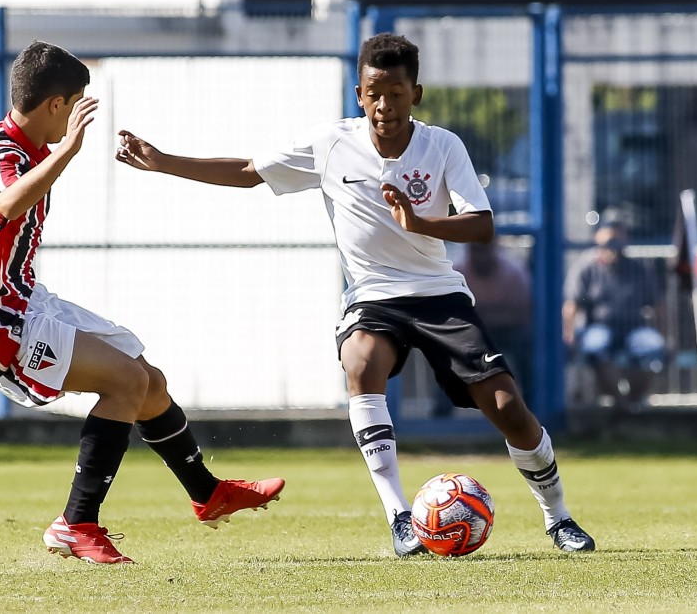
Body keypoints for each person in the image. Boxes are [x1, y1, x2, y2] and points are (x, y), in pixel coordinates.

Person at [114, 32, 595, 555]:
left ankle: (558, 517)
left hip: (439, 295)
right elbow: (251, 172)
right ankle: (400, 516)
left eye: (396, 91)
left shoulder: (443, 146)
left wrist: (421, 221)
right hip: (373, 296)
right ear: (359, 93)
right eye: (375, 92)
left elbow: (481, 226)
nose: (385, 104)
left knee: (507, 406)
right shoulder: (332, 143)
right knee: (360, 360)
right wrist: (164, 161)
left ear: (417, 94)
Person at [0, 40, 284, 565]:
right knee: (126, 383)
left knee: (149, 378)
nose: (79, 115)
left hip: (24, 299)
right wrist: (67, 150)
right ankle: (76, 522)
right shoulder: (5, 155)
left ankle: (207, 493)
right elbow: (6, 202)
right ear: (57, 106)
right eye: (77, 104)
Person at [563, 211, 666, 413]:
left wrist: (665, 336)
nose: (614, 242)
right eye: (609, 236)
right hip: (599, 327)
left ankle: (631, 403)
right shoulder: (587, 266)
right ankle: (622, 405)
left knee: (653, 347)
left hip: (634, 327)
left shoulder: (639, 267)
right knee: (595, 345)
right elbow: (572, 304)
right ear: (597, 237)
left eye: (619, 235)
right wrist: (569, 334)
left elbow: (659, 305)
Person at [433, 238, 535, 417]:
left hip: (507, 333)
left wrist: (482, 313)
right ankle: (440, 416)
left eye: (484, 249)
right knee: (447, 354)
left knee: (525, 345)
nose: (480, 255)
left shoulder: (513, 273)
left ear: (495, 249)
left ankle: (532, 407)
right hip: (471, 333)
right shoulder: (458, 273)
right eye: (475, 250)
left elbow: (522, 313)